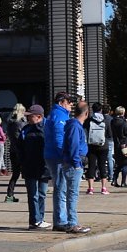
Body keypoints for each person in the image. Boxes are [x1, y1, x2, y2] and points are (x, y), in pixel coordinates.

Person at [17, 104, 51, 229]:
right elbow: (19, 148)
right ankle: (35, 220)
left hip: (44, 167)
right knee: (33, 195)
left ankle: (40, 218)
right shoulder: (25, 129)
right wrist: (22, 162)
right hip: (30, 166)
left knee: (42, 194)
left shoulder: (48, 128)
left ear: (39, 117)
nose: (28, 118)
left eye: (30, 116)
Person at [44, 91, 73, 231]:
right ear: (62, 102)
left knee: (61, 187)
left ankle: (61, 219)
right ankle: (61, 221)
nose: (71, 104)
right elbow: (59, 138)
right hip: (57, 157)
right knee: (61, 188)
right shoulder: (59, 115)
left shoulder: (55, 114)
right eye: (69, 102)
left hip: (53, 154)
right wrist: (64, 155)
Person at [61, 101, 91, 234]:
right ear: (86, 113)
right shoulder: (75, 126)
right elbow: (73, 146)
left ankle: (72, 222)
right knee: (72, 194)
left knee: (72, 194)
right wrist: (77, 164)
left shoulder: (74, 125)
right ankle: (72, 223)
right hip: (73, 164)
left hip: (73, 163)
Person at [84, 102, 110, 195]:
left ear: (92, 110)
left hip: (91, 146)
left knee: (91, 166)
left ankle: (90, 188)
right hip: (103, 146)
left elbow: (85, 131)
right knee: (102, 166)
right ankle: (103, 188)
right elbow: (109, 134)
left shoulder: (88, 120)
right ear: (101, 110)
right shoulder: (105, 120)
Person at [5, 103, 26, 203]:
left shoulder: (10, 123)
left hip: (13, 150)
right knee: (28, 173)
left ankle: (9, 194)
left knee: (15, 174)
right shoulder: (20, 123)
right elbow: (23, 137)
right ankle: (33, 192)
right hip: (21, 151)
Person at [110, 106, 127, 188]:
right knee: (125, 163)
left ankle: (114, 179)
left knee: (119, 163)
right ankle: (123, 182)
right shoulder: (123, 122)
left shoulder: (112, 121)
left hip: (117, 144)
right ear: (123, 112)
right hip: (125, 144)